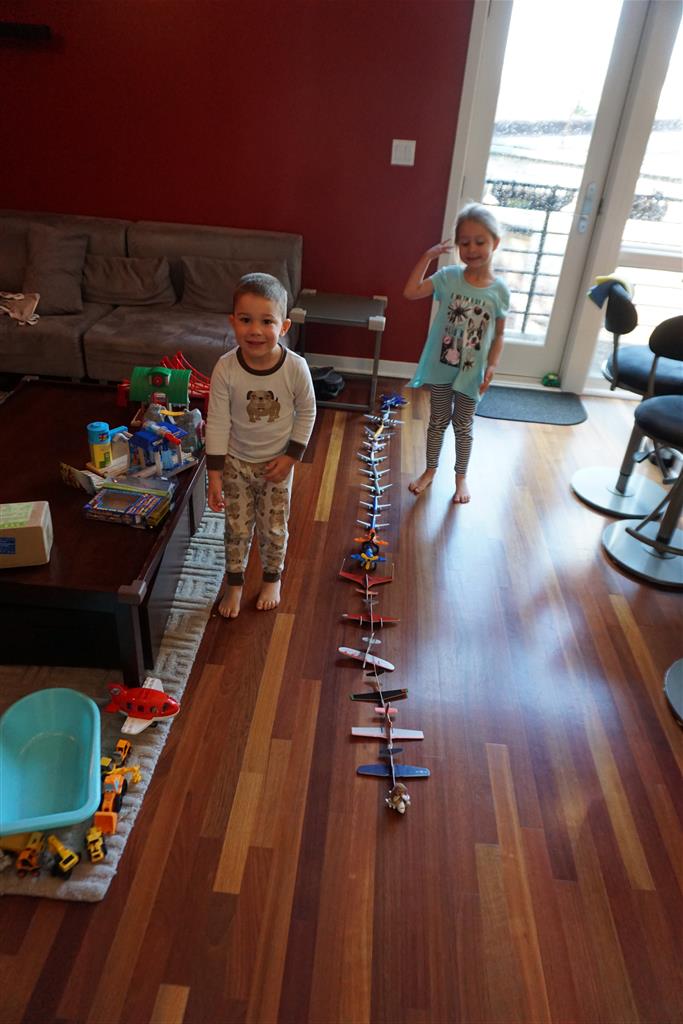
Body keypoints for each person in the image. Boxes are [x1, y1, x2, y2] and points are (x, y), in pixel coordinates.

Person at [205, 272, 316, 618]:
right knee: (235, 529)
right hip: (235, 463)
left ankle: (271, 578)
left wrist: (291, 457)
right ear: (232, 322)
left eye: (266, 321)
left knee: (273, 527)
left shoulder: (295, 368)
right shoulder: (225, 368)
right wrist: (214, 474)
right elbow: (217, 421)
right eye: (246, 320)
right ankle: (234, 584)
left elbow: (308, 411)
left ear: (284, 327)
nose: (255, 330)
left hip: (276, 465)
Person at [403, 202, 509, 503]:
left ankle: (461, 478)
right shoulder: (448, 277)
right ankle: (430, 470)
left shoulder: (499, 291)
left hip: (472, 372)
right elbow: (410, 292)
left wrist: (492, 366)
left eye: (480, 242)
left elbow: (500, 334)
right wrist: (427, 257)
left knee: (463, 425)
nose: (471, 249)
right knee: (437, 421)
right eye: (464, 243)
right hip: (442, 367)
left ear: (495, 243)